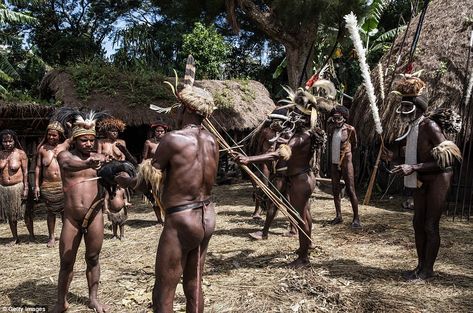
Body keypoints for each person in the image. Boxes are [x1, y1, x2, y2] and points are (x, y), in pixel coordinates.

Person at [116, 55, 219, 312]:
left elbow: (146, 183)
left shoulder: (173, 140)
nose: (177, 113)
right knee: (194, 283)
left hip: (182, 218)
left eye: (180, 109)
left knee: (164, 287)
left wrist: (127, 180)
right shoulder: (213, 142)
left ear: (187, 110)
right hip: (207, 216)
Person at [235, 82, 335, 267]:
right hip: (300, 178)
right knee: (304, 214)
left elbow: (277, 154)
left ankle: (303, 258)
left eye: (295, 113)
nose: (291, 116)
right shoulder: (299, 132)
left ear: (303, 117)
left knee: (300, 217)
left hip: (300, 180)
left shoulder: (301, 136)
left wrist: (250, 159)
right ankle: (306, 246)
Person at [388, 76, 461, 280]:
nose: (402, 111)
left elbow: (448, 159)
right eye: (401, 106)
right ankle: (420, 266)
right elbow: (413, 154)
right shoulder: (412, 127)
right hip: (422, 178)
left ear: (417, 107)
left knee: (430, 224)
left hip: (439, 178)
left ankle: (428, 271)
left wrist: (413, 167)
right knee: (417, 223)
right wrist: (394, 158)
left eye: (406, 107)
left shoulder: (430, 126)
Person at [51, 110, 109, 313]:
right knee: (66, 261)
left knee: (93, 258)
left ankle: (93, 299)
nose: (88, 144)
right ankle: (61, 302)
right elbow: (68, 164)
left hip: (95, 215)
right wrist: (87, 163)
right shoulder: (65, 155)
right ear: (75, 140)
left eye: (91, 140)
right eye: (83, 140)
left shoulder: (100, 158)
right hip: (72, 218)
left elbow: (113, 178)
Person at [248, 109, 298, 240]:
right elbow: (261, 150)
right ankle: (294, 229)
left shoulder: (288, 135)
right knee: (286, 201)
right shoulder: (267, 132)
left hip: (282, 172)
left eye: (279, 122)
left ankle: (264, 232)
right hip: (273, 170)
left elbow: (280, 154)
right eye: (274, 121)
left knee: (274, 201)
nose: (275, 124)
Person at [34, 121, 70, 247]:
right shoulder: (42, 149)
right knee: (51, 212)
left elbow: (75, 138)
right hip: (48, 185)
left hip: (63, 184)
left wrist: (71, 128)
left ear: (60, 135)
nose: (51, 137)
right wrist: (37, 186)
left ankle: (66, 235)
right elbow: (38, 167)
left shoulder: (64, 146)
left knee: (65, 212)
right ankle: (52, 237)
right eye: (49, 135)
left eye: (54, 135)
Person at [327, 105, 361, 228]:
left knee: (351, 190)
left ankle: (356, 218)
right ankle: (338, 216)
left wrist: (347, 156)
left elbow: (355, 145)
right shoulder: (331, 129)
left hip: (346, 162)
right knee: (335, 190)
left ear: (344, 118)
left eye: (339, 118)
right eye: (334, 118)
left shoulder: (350, 130)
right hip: (334, 162)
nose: (336, 121)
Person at [0, 129, 33, 244]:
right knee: (10, 215)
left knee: (26, 213)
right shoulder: (0, 154)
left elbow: (25, 172)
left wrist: (26, 188)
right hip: (4, 189)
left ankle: (32, 236)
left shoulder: (20, 154)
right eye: (5, 141)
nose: (7, 144)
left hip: (18, 187)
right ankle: (15, 237)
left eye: (10, 141)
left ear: (14, 141)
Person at [142, 121, 169, 224]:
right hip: (153, 173)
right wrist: (144, 170)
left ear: (165, 132)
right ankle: (159, 219)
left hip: (166, 170)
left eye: (162, 131)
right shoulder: (149, 142)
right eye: (157, 131)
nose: (160, 133)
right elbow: (144, 158)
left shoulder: (168, 142)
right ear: (154, 132)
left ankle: (168, 217)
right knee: (155, 196)